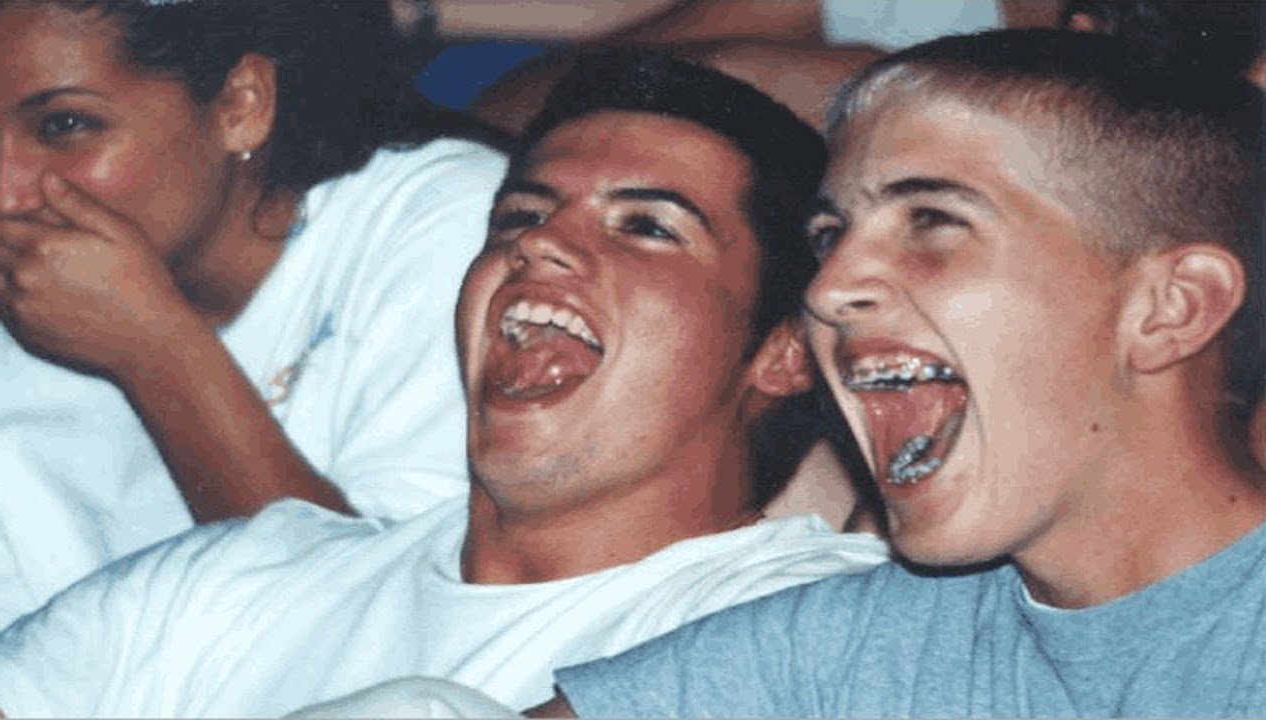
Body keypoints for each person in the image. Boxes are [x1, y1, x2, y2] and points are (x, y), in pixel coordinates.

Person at [0, 50, 888, 718]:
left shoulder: (824, 627)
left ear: (785, 350)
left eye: (646, 227)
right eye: (520, 215)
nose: (538, 244)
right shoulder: (235, 579)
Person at [536, 28, 1266, 717]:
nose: (827, 290)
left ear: (1171, 308)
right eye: (830, 236)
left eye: (933, 221)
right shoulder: (848, 647)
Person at [0, 0, 506, 634]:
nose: (4, 196)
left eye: (65, 125)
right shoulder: (11, 335)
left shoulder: (445, 224)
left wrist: (157, 351)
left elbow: (377, 629)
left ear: (241, 104)